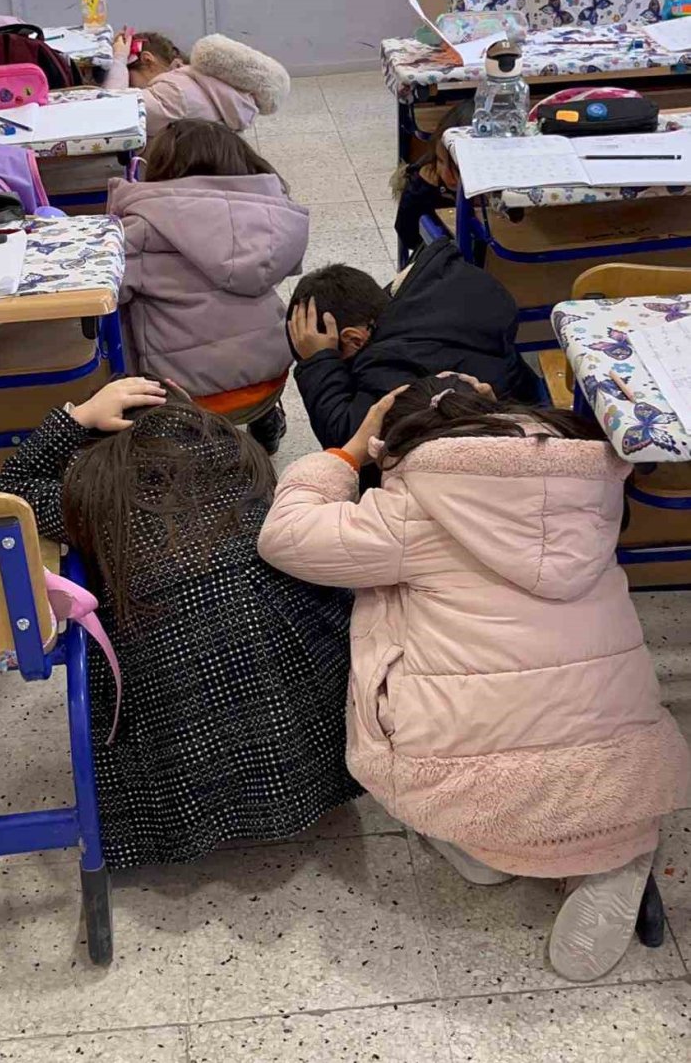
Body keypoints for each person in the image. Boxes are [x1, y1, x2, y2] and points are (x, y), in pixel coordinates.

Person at [258, 377, 691, 984]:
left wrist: (346, 452)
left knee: (396, 663)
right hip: (619, 767)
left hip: (473, 780)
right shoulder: (591, 488)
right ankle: (614, 860)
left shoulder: (410, 511)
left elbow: (284, 537)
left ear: (398, 446)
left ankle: (479, 840)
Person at [0, 376, 360, 869]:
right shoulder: (244, 456)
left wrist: (75, 416)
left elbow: (9, 497)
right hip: (307, 701)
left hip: (180, 727)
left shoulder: (94, 493)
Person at [109, 118, 309, 454]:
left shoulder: (142, 229)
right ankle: (265, 419)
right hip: (270, 379)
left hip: (188, 398)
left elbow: (109, 293)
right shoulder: (272, 220)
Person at [287, 238, 540, 455]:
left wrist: (318, 363)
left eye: (335, 353)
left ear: (354, 339)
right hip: (525, 415)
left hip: (492, 452)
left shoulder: (393, 363)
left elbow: (348, 445)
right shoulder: (432, 292)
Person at [105, 27, 290, 137]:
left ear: (147, 60)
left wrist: (119, 59)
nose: (130, 87)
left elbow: (113, 107)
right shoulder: (201, 81)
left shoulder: (172, 93)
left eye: (129, 79)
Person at [391, 102, 472, 259]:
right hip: (441, 261)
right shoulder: (425, 178)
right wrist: (423, 191)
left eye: (456, 167)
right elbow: (407, 235)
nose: (447, 173)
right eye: (441, 161)